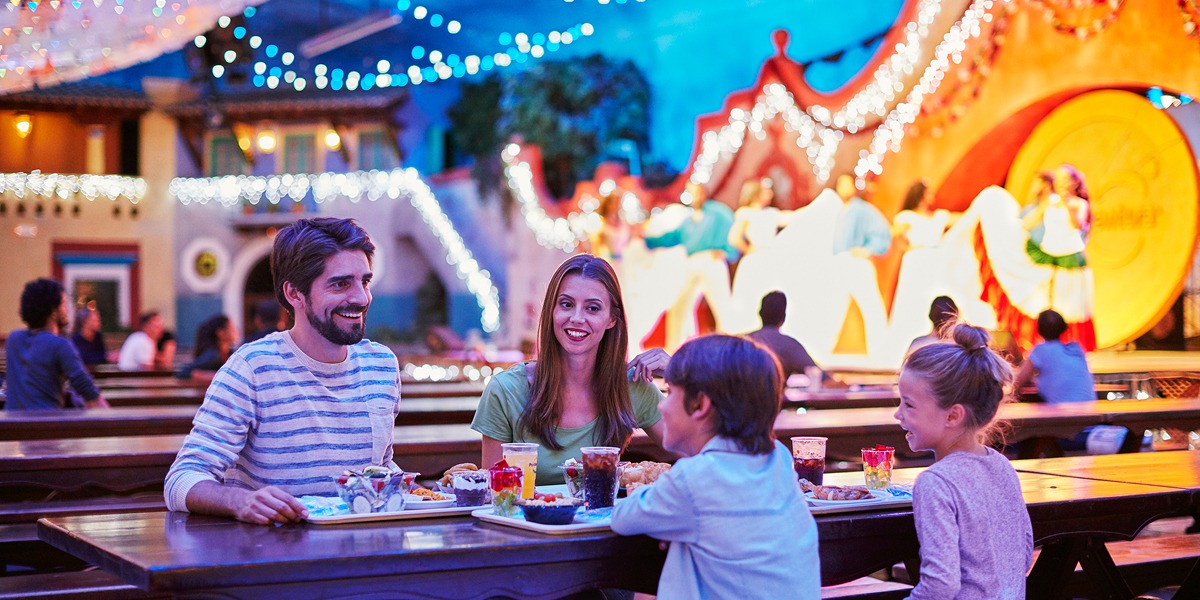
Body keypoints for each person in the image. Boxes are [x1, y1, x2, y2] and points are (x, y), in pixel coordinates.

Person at [164, 217, 400, 525]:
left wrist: (432, 493)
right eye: (341, 283)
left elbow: (381, 468)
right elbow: (180, 480)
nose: (361, 297)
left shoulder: (381, 364)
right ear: (294, 294)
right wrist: (240, 501)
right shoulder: (252, 368)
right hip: (272, 556)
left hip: (364, 553)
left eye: (364, 282)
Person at [611, 335, 820, 599]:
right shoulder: (778, 458)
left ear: (700, 405)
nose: (661, 406)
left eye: (670, 392)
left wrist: (667, 512)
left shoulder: (693, 478)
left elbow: (623, 519)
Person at [471, 254, 669, 484]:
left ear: (612, 319)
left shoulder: (632, 386)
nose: (576, 318)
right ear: (552, 311)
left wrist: (682, 375)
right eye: (566, 304)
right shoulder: (505, 390)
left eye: (592, 308)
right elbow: (495, 499)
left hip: (605, 520)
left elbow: (706, 454)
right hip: (527, 520)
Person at [893, 322, 1033, 599]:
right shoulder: (1001, 466)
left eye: (908, 404)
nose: (897, 414)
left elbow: (940, 585)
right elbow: (1024, 553)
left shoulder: (936, 483)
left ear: (953, 416)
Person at [644, 182, 739, 348]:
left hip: (711, 260)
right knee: (679, 304)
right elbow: (670, 238)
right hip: (692, 262)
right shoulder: (687, 220)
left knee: (722, 305)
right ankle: (674, 349)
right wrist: (647, 240)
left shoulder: (718, 212)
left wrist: (728, 252)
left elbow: (733, 232)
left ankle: (730, 348)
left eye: (698, 193)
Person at [4, 279, 107, 410]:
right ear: (54, 311)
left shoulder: (13, 339)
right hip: (46, 424)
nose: (67, 311)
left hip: (12, 426)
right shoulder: (60, 344)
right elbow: (86, 388)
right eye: (64, 304)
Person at [1013, 309, 1094, 403]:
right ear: (1063, 328)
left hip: (1063, 414)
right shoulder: (1077, 349)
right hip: (1089, 411)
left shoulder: (1040, 350)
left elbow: (1017, 382)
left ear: (1039, 330)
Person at [746, 290, 816, 376]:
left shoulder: (740, 343)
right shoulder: (788, 345)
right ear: (783, 317)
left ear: (760, 313)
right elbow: (817, 374)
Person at [177, 315, 239, 382]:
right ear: (220, 333)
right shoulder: (212, 355)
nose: (237, 330)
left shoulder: (231, 353)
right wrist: (216, 376)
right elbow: (184, 372)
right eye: (232, 327)